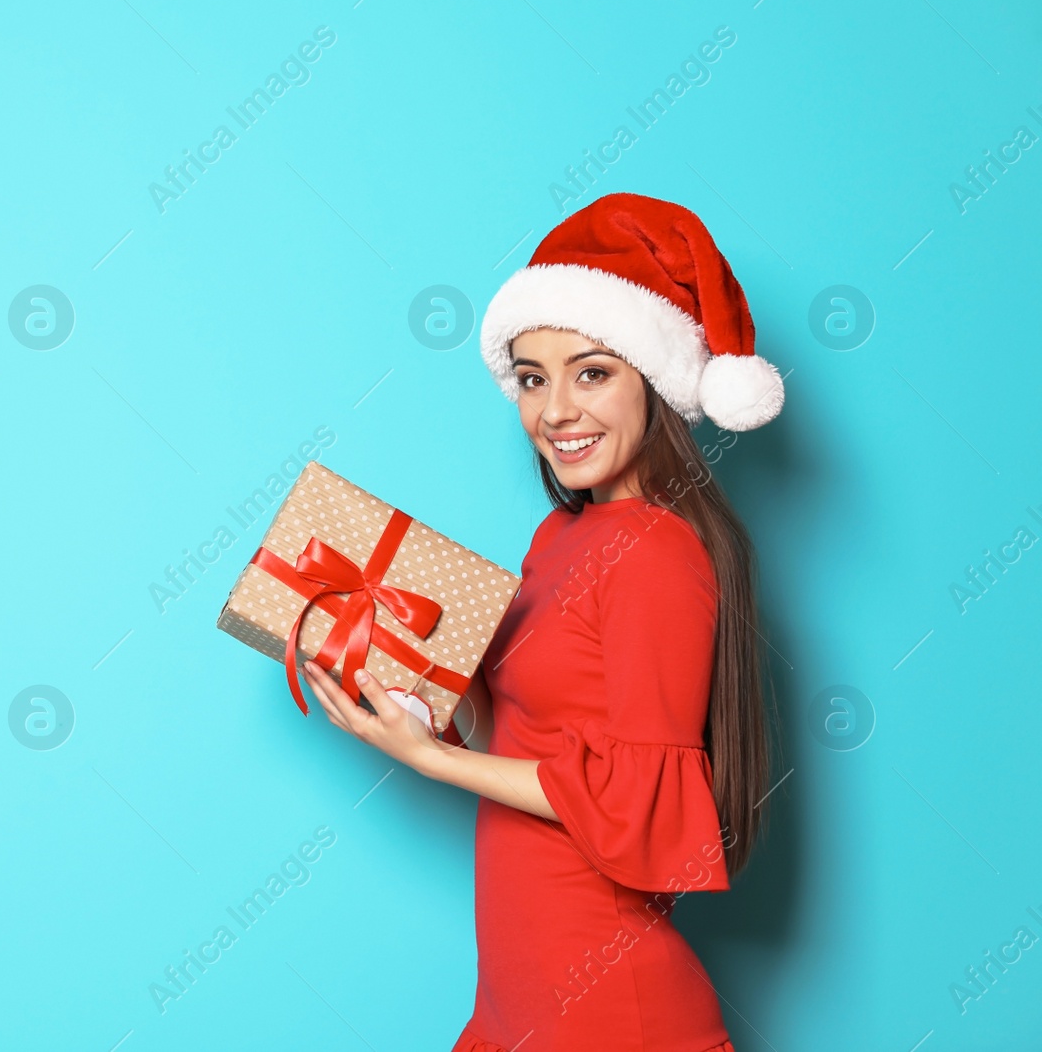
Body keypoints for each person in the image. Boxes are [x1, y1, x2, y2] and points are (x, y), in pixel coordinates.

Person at [299, 192, 784, 1051]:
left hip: (606, 1007)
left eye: (591, 371)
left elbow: (635, 797)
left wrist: (434, 760)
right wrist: (393, 668)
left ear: (655, 380)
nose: (555, 409)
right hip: (523, 993)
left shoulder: (658, 553)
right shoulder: (562, 535)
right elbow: (530, 730)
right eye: (532, 378)